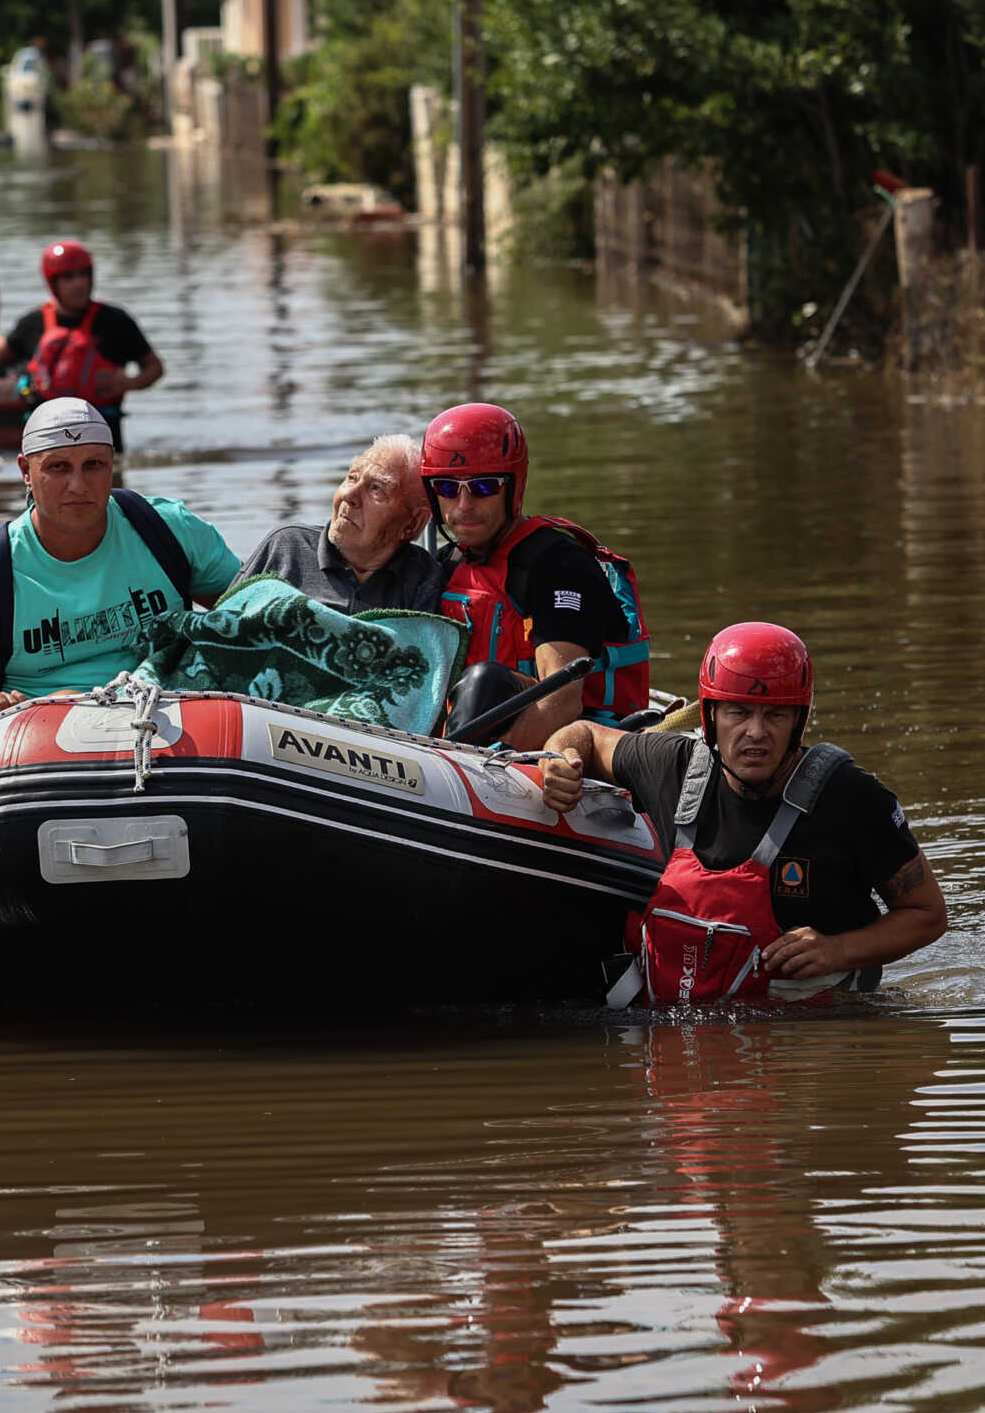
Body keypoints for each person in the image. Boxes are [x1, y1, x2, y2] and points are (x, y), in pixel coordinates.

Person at [537, 622, 946, 1005]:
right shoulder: (671, 767)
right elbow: (586, 733)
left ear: (798, 722)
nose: (756, 732)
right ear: (710, 717)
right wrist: (559, 758)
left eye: (775, 715)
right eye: (738, 713)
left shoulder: (854, 800)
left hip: (816, 1035)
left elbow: (927, 914)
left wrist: (838, 950)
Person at [0, 398, 239, 728]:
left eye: (93, 465)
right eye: (58, 467)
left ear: (112, 464)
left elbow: (255, 616)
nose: (78, 485)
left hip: (174, 716)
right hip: (41, 737)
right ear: (26, 471)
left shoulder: (170, 528)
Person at [424, 402, 652, 748]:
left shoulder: (556, 563)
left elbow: (561, 701)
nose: (463, 505)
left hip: (576, 740)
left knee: (483, 681)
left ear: (513, 489)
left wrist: (480, 764)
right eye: (447, 488)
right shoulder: (447, 564)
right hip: (472, 736)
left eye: (484, 487)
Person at [0, 240, 162, 450]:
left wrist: (129, 383)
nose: (78, 283)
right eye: (68, 277)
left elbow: (154, 367)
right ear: (52, 282)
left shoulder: (115, 321)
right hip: (47, 436)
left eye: (83, 275)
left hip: (101, 433)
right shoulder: (33, 324)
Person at [229, 435, 445, 615]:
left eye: (376, 488)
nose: (349, 495)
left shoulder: (423, 580)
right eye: (352, 477)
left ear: (413, 523)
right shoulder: (286, 547)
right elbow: (220, 633)